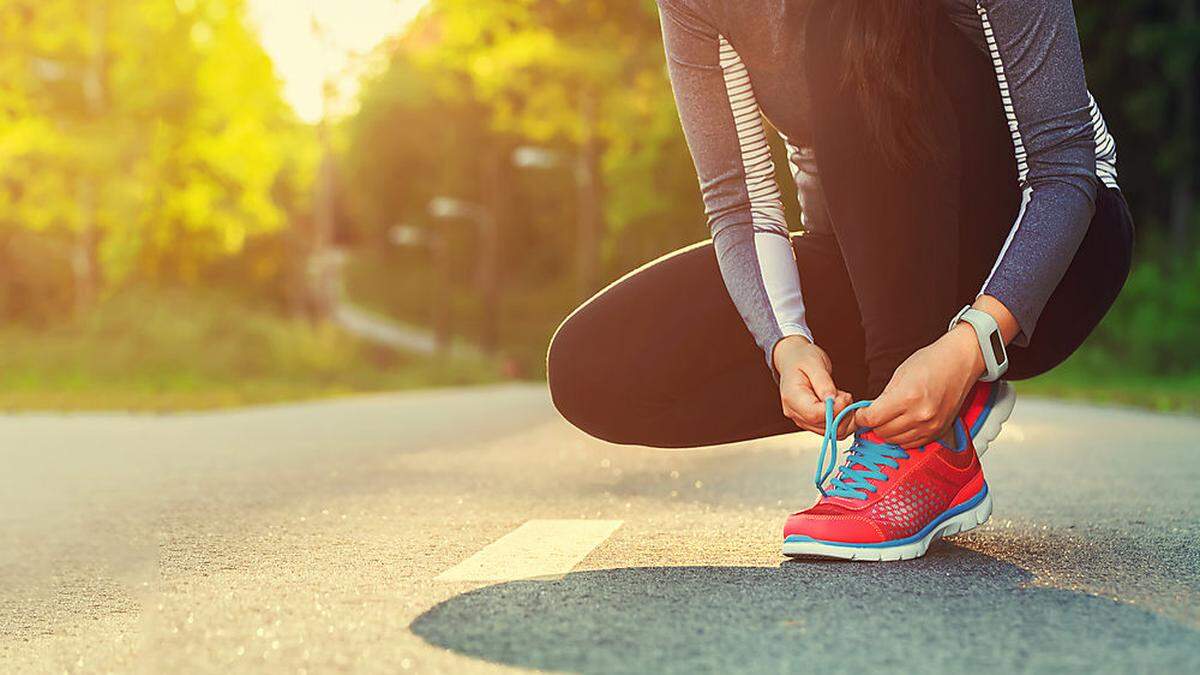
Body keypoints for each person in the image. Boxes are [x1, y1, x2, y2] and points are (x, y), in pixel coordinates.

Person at [546, 1, 1133, 561]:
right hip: (876, 266)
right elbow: (741, 204)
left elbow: (1065, 168)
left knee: (846, 15)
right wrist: (786, 343)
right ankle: (912, 396)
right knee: (592, 369)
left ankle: (916, 446)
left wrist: (971, 342)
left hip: (1050, 263)